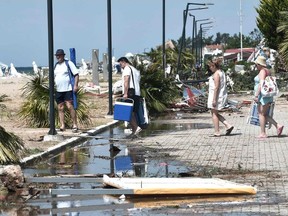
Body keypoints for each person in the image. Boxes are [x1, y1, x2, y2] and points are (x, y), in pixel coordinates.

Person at [253, 55, 284, 138]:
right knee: (263, 114)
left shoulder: (262, 71)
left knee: (261, 114)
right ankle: (278, 126)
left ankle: (263, 133)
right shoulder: (267, 70)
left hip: (262, 95)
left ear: (259, 64)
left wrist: (256, 95)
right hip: (267, 95)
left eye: (256, 64)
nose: (256, 66)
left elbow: (261, 83)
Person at [207, 57, 234, 137]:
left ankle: (217, 131)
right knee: (215, 113)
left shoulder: (216, 74)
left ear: (214, 66)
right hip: (220, 95)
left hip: (216, 96)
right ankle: (228, 125)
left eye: (210, 66)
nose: (210, 68)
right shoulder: (221, 72)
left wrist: (214, 99)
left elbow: (216, 87)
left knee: (214, 114)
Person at [54, 49, 79, 133]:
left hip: (67, 89)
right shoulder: (56, 65)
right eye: (57, 55)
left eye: (59, 55)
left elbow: (76, 74)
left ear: (63, 55)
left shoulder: (68, 63)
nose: (58, 57)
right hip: (58, 90)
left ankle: (75, 124)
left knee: (69, 106)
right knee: (60, 107)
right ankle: (62, 125)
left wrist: (75, 85)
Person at [117, 56, 141, 135]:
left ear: (123, 61)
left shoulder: (127, 69)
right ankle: (134, 131)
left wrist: (125, 93)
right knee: (133, 112)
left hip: (130, 92)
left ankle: (136, 127)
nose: (121, 66)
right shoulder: (134, 69)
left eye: (120, 64)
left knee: (127, 112)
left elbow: (126, 80)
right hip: (137, 92)